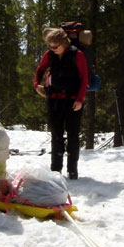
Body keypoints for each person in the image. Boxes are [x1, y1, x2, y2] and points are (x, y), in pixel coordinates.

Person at [34, 27, 88, 180]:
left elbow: (84, 79)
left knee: (73, 136)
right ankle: (55, 171)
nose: (52, 49)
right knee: (56, 135)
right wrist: (36, 84)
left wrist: (79, 100)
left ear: (63, 43)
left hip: (72, 101)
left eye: (55, 46)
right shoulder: (49, 55)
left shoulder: (77, 55)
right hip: (54, 100)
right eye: (50, 46)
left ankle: (73, 171)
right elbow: (40, 69)